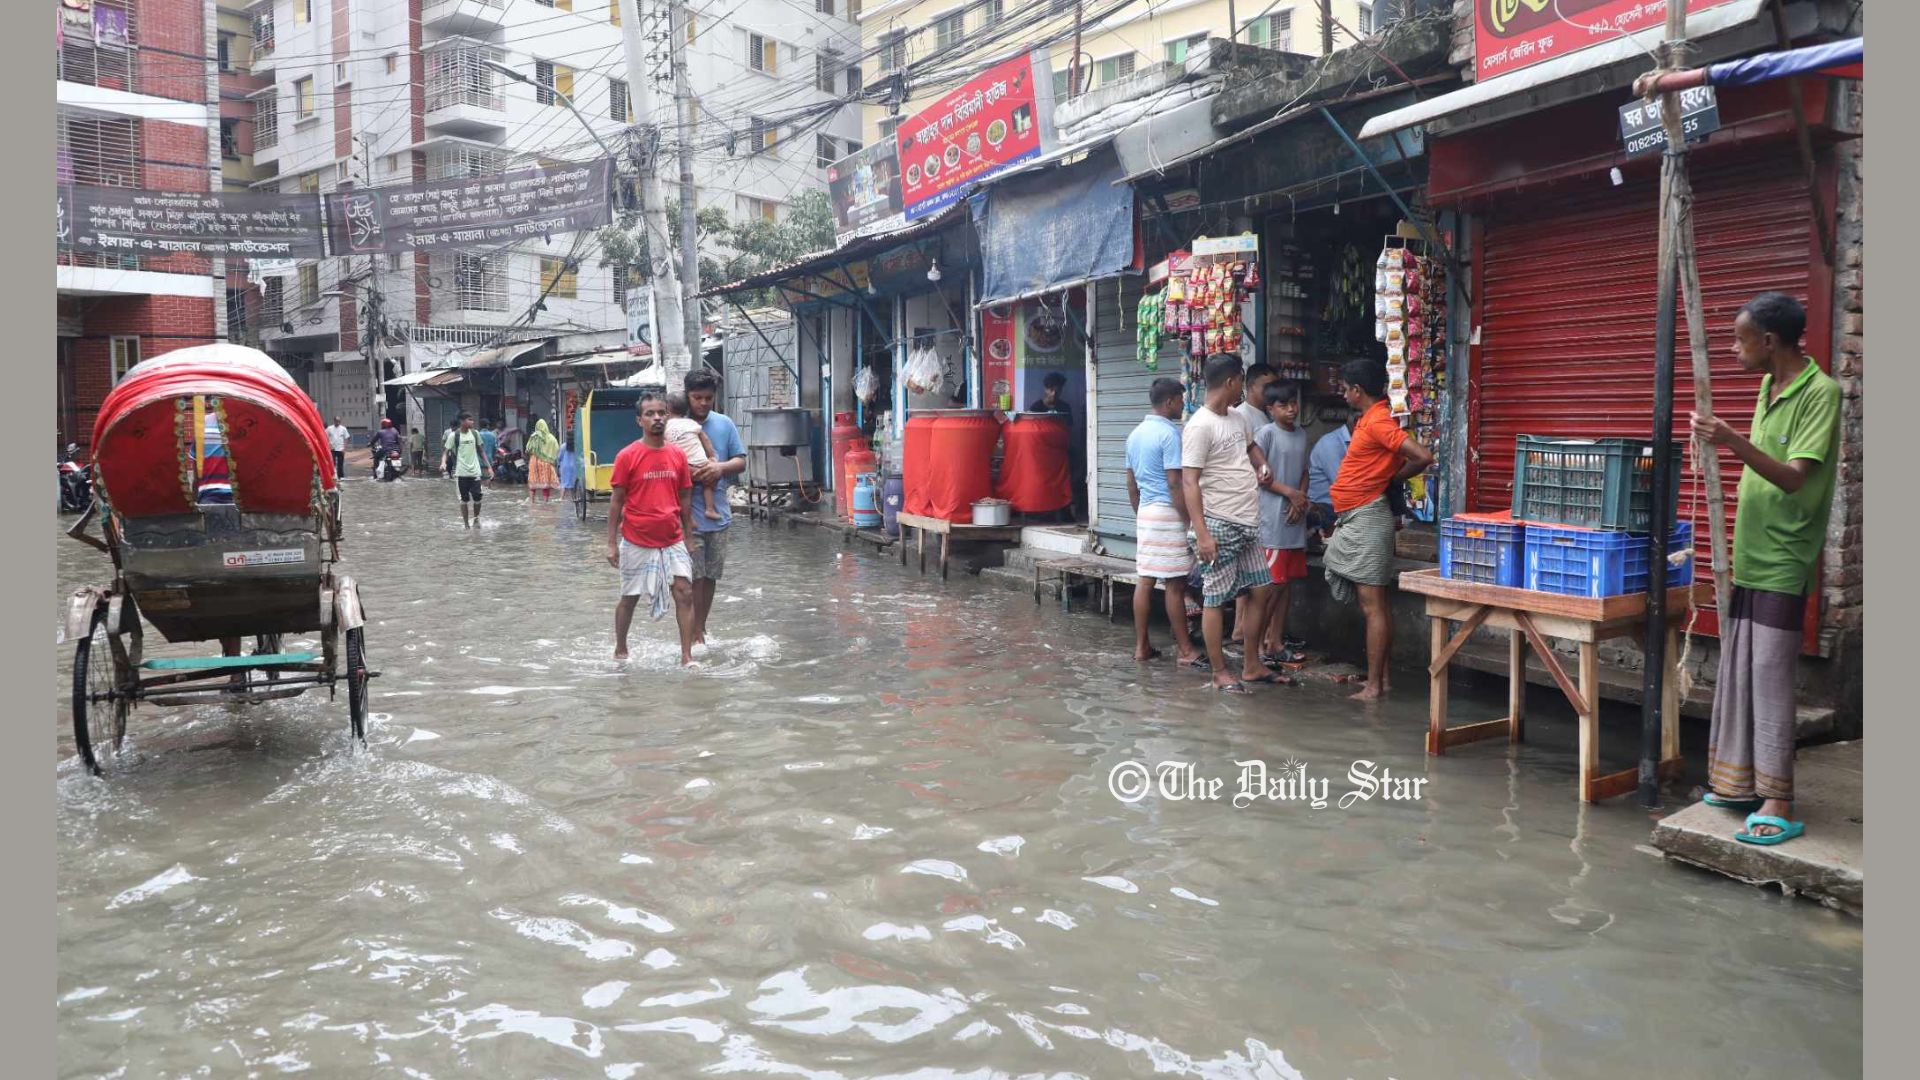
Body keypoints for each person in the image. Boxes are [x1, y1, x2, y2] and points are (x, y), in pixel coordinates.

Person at [1690, 292, 1840, 847]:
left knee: (1771, 675)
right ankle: (1739, 783)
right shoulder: (1768, 386)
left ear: (1769, 342)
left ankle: (1779, 796)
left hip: (1784, 554)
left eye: (1740, 339)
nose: (1733, 349)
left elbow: (1796, 476)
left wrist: (1729, 440)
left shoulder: (1820, 394)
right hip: (1750, 550)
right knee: (1740, 667)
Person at [1324, 359, 1435, 702]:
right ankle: (1380, 680)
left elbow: (1422, 456)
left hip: (1368, 518)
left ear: (1358, 390)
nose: (1343, 395)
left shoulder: (1377, 423)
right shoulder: (1370, 420)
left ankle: (1374, 686)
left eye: (1344, 389)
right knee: (1375, 603)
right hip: (1359, 517)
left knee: (1373, 605)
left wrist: (1389, 480)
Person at [1181, 354, 1281, 694]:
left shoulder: (1238, 418)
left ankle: (1251, 665)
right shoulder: (1199, 425)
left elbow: (1251, 448)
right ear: (1230, 383)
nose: (1242, 386)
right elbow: (1189, 483)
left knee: (1262, 589)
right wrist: (1203, 534)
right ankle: (1220, 672)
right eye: (1241, 380)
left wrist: (1262, 465)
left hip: (1247, 520)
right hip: (1218, 524)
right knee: (1215, 598)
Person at [607, 392, 696, 665]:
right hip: (636, 539)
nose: (657, 418)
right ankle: (621, 647)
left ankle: (686, 656)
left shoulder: (678, 455)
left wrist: (689, 539)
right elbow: (616, 501)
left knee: (685, 592)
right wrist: (611, 543)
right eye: (650, 414)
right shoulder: (627, 456)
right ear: (639, 421)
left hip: (672, 538)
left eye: (661, 413)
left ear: (667, 416)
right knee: (629, 598)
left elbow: (684, 500)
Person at [1124, 377, 1201, 666]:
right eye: (1181, 400)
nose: (1183, 406)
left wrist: (1140, 512)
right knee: (1175, 584)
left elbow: (1131, 483)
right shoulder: (1170, 434)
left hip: (1145, 512)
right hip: (1168, 512)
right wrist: (1189, 520)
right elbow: (1174, 483)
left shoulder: (1135, 434)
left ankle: (1141, 647)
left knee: (1145, 580)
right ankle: (1185, 650)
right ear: (1169, 402)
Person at [682, 370, 747, 651]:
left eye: (708, 398)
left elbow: (741, 461)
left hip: (718, 514)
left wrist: (719, 468)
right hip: (687, 516)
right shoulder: (675, 426)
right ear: (687, 396)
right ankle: (693, 630)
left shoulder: (724, 424)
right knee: (691, 578)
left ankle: (701, 627)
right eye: (697, 398)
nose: (703, 403)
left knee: (710, 576)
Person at [1254, 381, 1310, 673]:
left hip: (1293, 518)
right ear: (1270, 409)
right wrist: (1291, 495)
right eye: (1283, 405)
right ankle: (1257, 646)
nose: (1291, 409)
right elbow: (1260, 476)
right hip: (1273, 519)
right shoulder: (1265, 435)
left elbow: (1304, 472)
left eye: (1293, 403)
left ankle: (1275, 642)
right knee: (1271, 586)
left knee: (1286, 584)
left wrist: (1300, 500)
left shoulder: (1301, 434)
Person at [1226, 363, 1276, 647]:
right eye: (1265, 387)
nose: (1269, 393)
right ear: (1249, 386)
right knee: (1250, 574)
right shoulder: (1243, 416)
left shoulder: (1263, 416)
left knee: (1254, 574)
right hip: (1248, 502)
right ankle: (1242, 631)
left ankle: (1243, 631)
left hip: (1258, 502)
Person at [665, 393, 723, 521]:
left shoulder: (664, 428)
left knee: (685, 490)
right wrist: (712, 456)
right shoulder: (691, 423)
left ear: (667, 412)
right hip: (701, 463)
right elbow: (705, 439)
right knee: (709, 482)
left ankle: (688, 518)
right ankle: (710, 509)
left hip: (682, 466)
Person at [1308, 409, 1355, 540]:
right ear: (1357, 423)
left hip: (1338, 505)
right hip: (1325, 507)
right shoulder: (1331, 444)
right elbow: (1343, 486)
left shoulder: (1354, 441)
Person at [444, 413, 486, 528]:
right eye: (470, 420)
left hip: (475, 472)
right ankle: (466, 524)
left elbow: (481, 451)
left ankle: (476, 520)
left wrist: (489, 467)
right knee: (464, 500)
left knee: (478, 497)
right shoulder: (454, 436)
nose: (473, 422)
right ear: (462, 421)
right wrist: (443, 462)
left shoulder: (475, 433)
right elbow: (446, 451)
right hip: (461, 473)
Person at [525, 418, 561, 503]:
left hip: (534, 461)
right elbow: (556, 449)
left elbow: (528, 449)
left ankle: (531, 501)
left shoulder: (534, 437)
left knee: (533, 481)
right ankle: (545, 502)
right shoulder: (551, 438)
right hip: (546, 463)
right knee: (545, 483)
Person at [558, 434, 589, 521]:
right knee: (573, 484)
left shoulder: (563, 446)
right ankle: (573, 498)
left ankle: (561, 499)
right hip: (574, 467)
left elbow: (559, 458)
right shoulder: (578, 446)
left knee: (563, 484)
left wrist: (558, 464)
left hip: (565, 467)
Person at [478, 419, 499, 486]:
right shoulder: (492, 435)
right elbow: (495, 449)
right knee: (487, 479)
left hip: (478, 461)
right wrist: (493, 458)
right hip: (489, 461)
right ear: (487, 426)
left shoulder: (477, 435)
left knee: (478, 481)